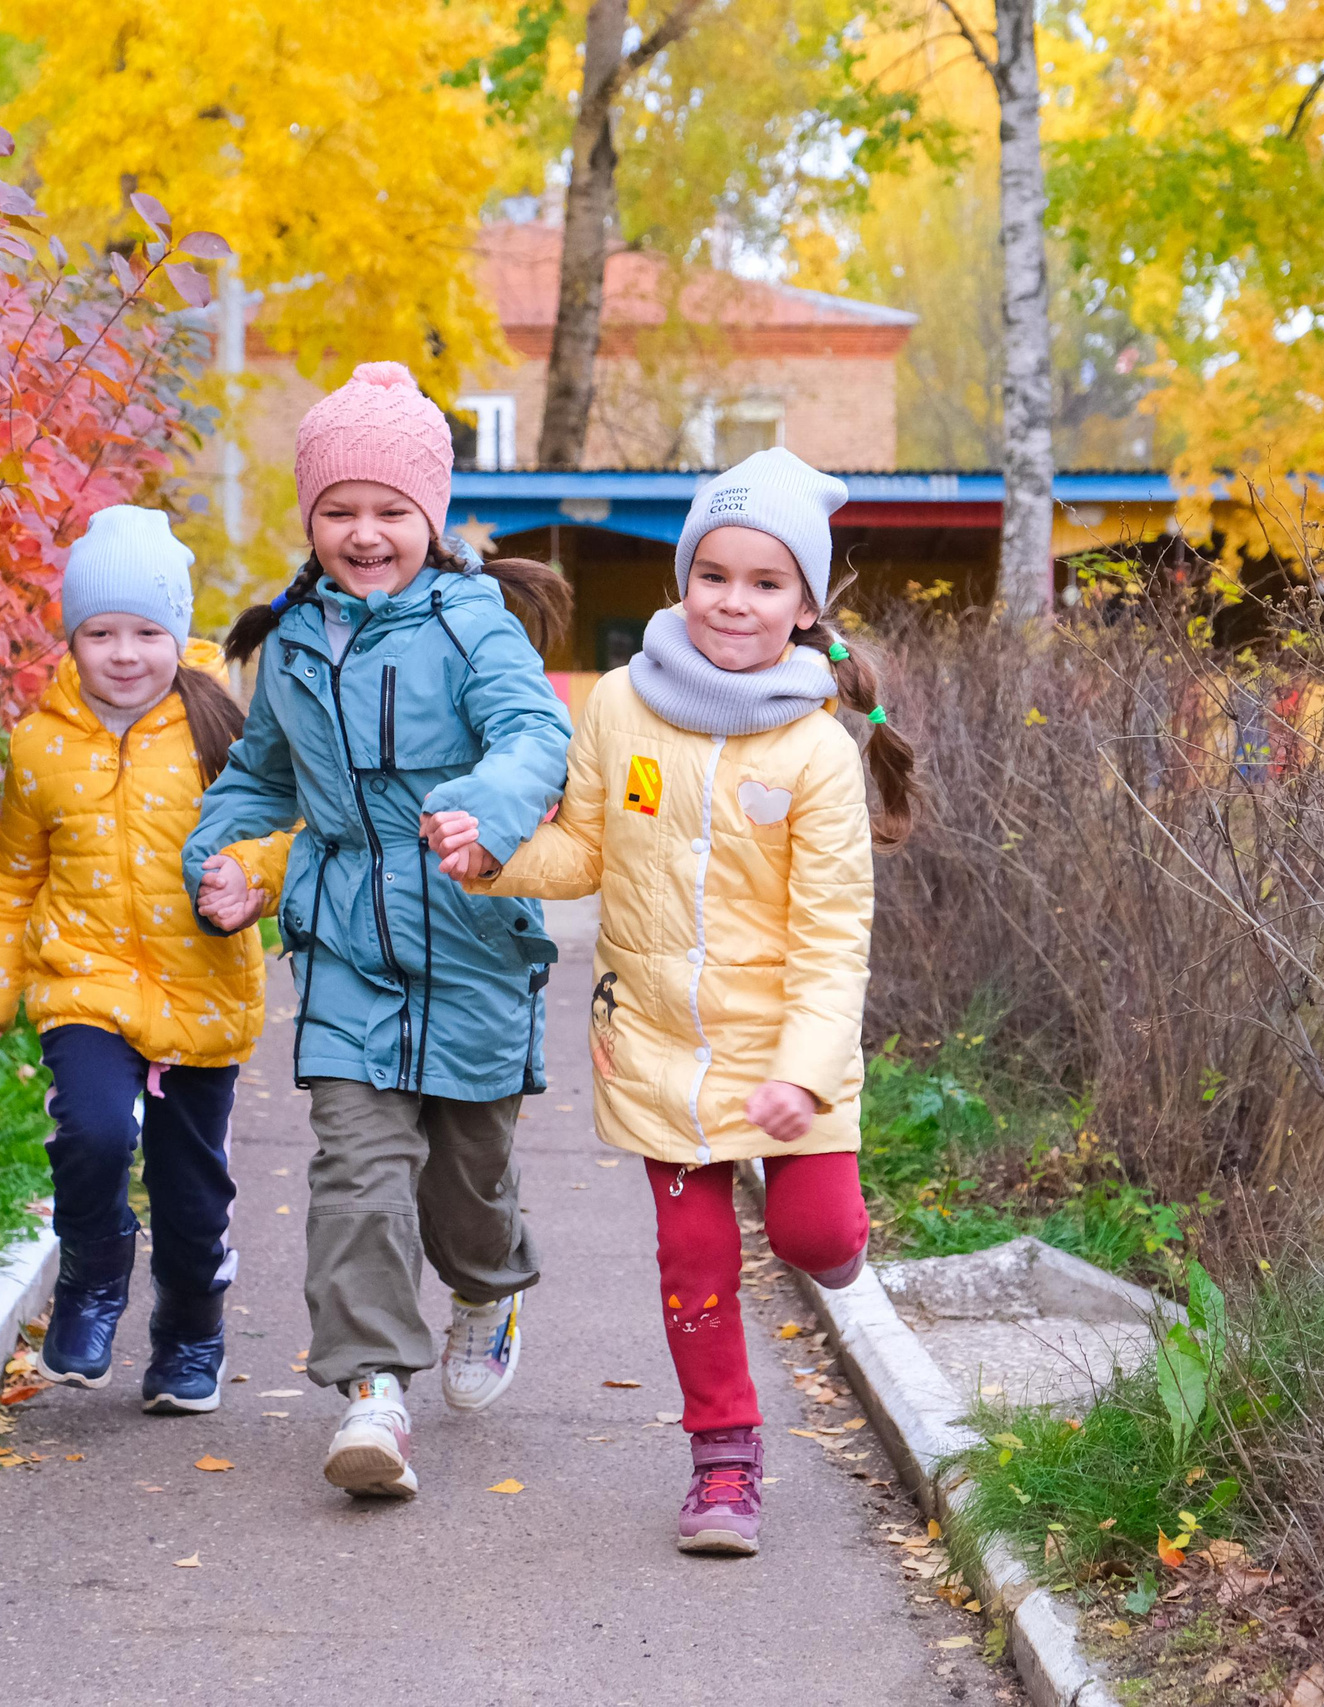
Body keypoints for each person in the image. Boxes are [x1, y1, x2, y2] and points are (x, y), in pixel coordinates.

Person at [427, 446, 918, 1554]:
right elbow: (583, 850)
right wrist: (492, 853)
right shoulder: (620, 707)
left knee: (813, 1232)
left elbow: (834, 936)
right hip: (657, 1046)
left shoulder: (815, 752)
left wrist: (802, 1073)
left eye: (765, 582)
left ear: (804, 607)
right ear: (682, 578)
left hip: (788, 1050)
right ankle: (724, 1462)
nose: (733, 601)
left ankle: (837, 1239)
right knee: (694, 1263)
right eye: (714, 574)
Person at [184, 360, 574, 1500]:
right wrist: (224, 858)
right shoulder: (295, 641)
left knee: (467, 1190)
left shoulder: (474, 624)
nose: (364, 533)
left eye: (390, 510)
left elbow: (533, 735)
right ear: (311, 519)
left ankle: (487, 1289)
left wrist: (488, 814)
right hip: (349, 950)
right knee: (356, 1174)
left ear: (431, 518)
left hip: (472, 943)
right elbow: (260, 776)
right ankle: (371, 1394)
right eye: (340, 510)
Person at [0, 505, 290, 1415]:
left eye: (146, 632)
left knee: (193, 1199)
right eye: (100, 632)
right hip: (85, 980)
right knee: (95, 1132)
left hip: (202, 987)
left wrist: (254, 880)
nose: (123, 653)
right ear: (72, 638)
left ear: (177, 634)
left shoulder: (224, 730)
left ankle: (189, 1329)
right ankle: (92, 1274)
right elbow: (10, 874)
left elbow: (283, 831)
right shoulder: (39, 743)